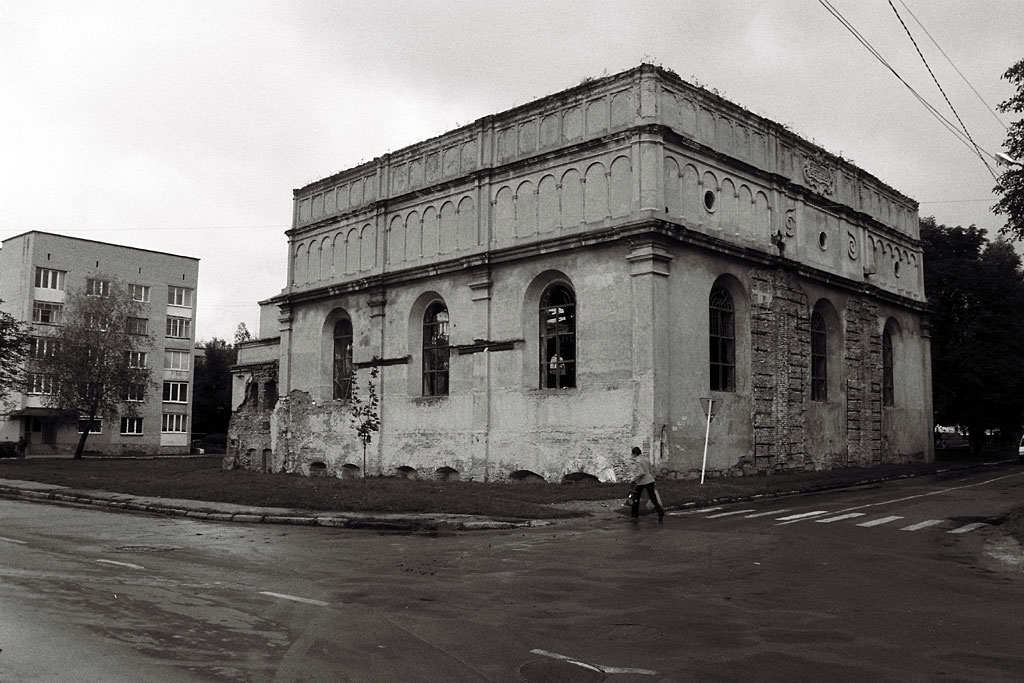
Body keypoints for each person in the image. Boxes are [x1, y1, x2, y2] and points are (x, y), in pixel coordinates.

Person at [629, 446, 664, 521]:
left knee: (636, 497)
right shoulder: (646, 459)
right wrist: (653, 479)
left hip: (642, 482)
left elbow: (641, 473)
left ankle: (634, 513)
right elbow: (651, 470)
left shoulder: (638, 461)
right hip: (650, 480)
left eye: (633, 454)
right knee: (652, 497)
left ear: (635, 454)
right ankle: (660, 511)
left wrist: (634, 479)